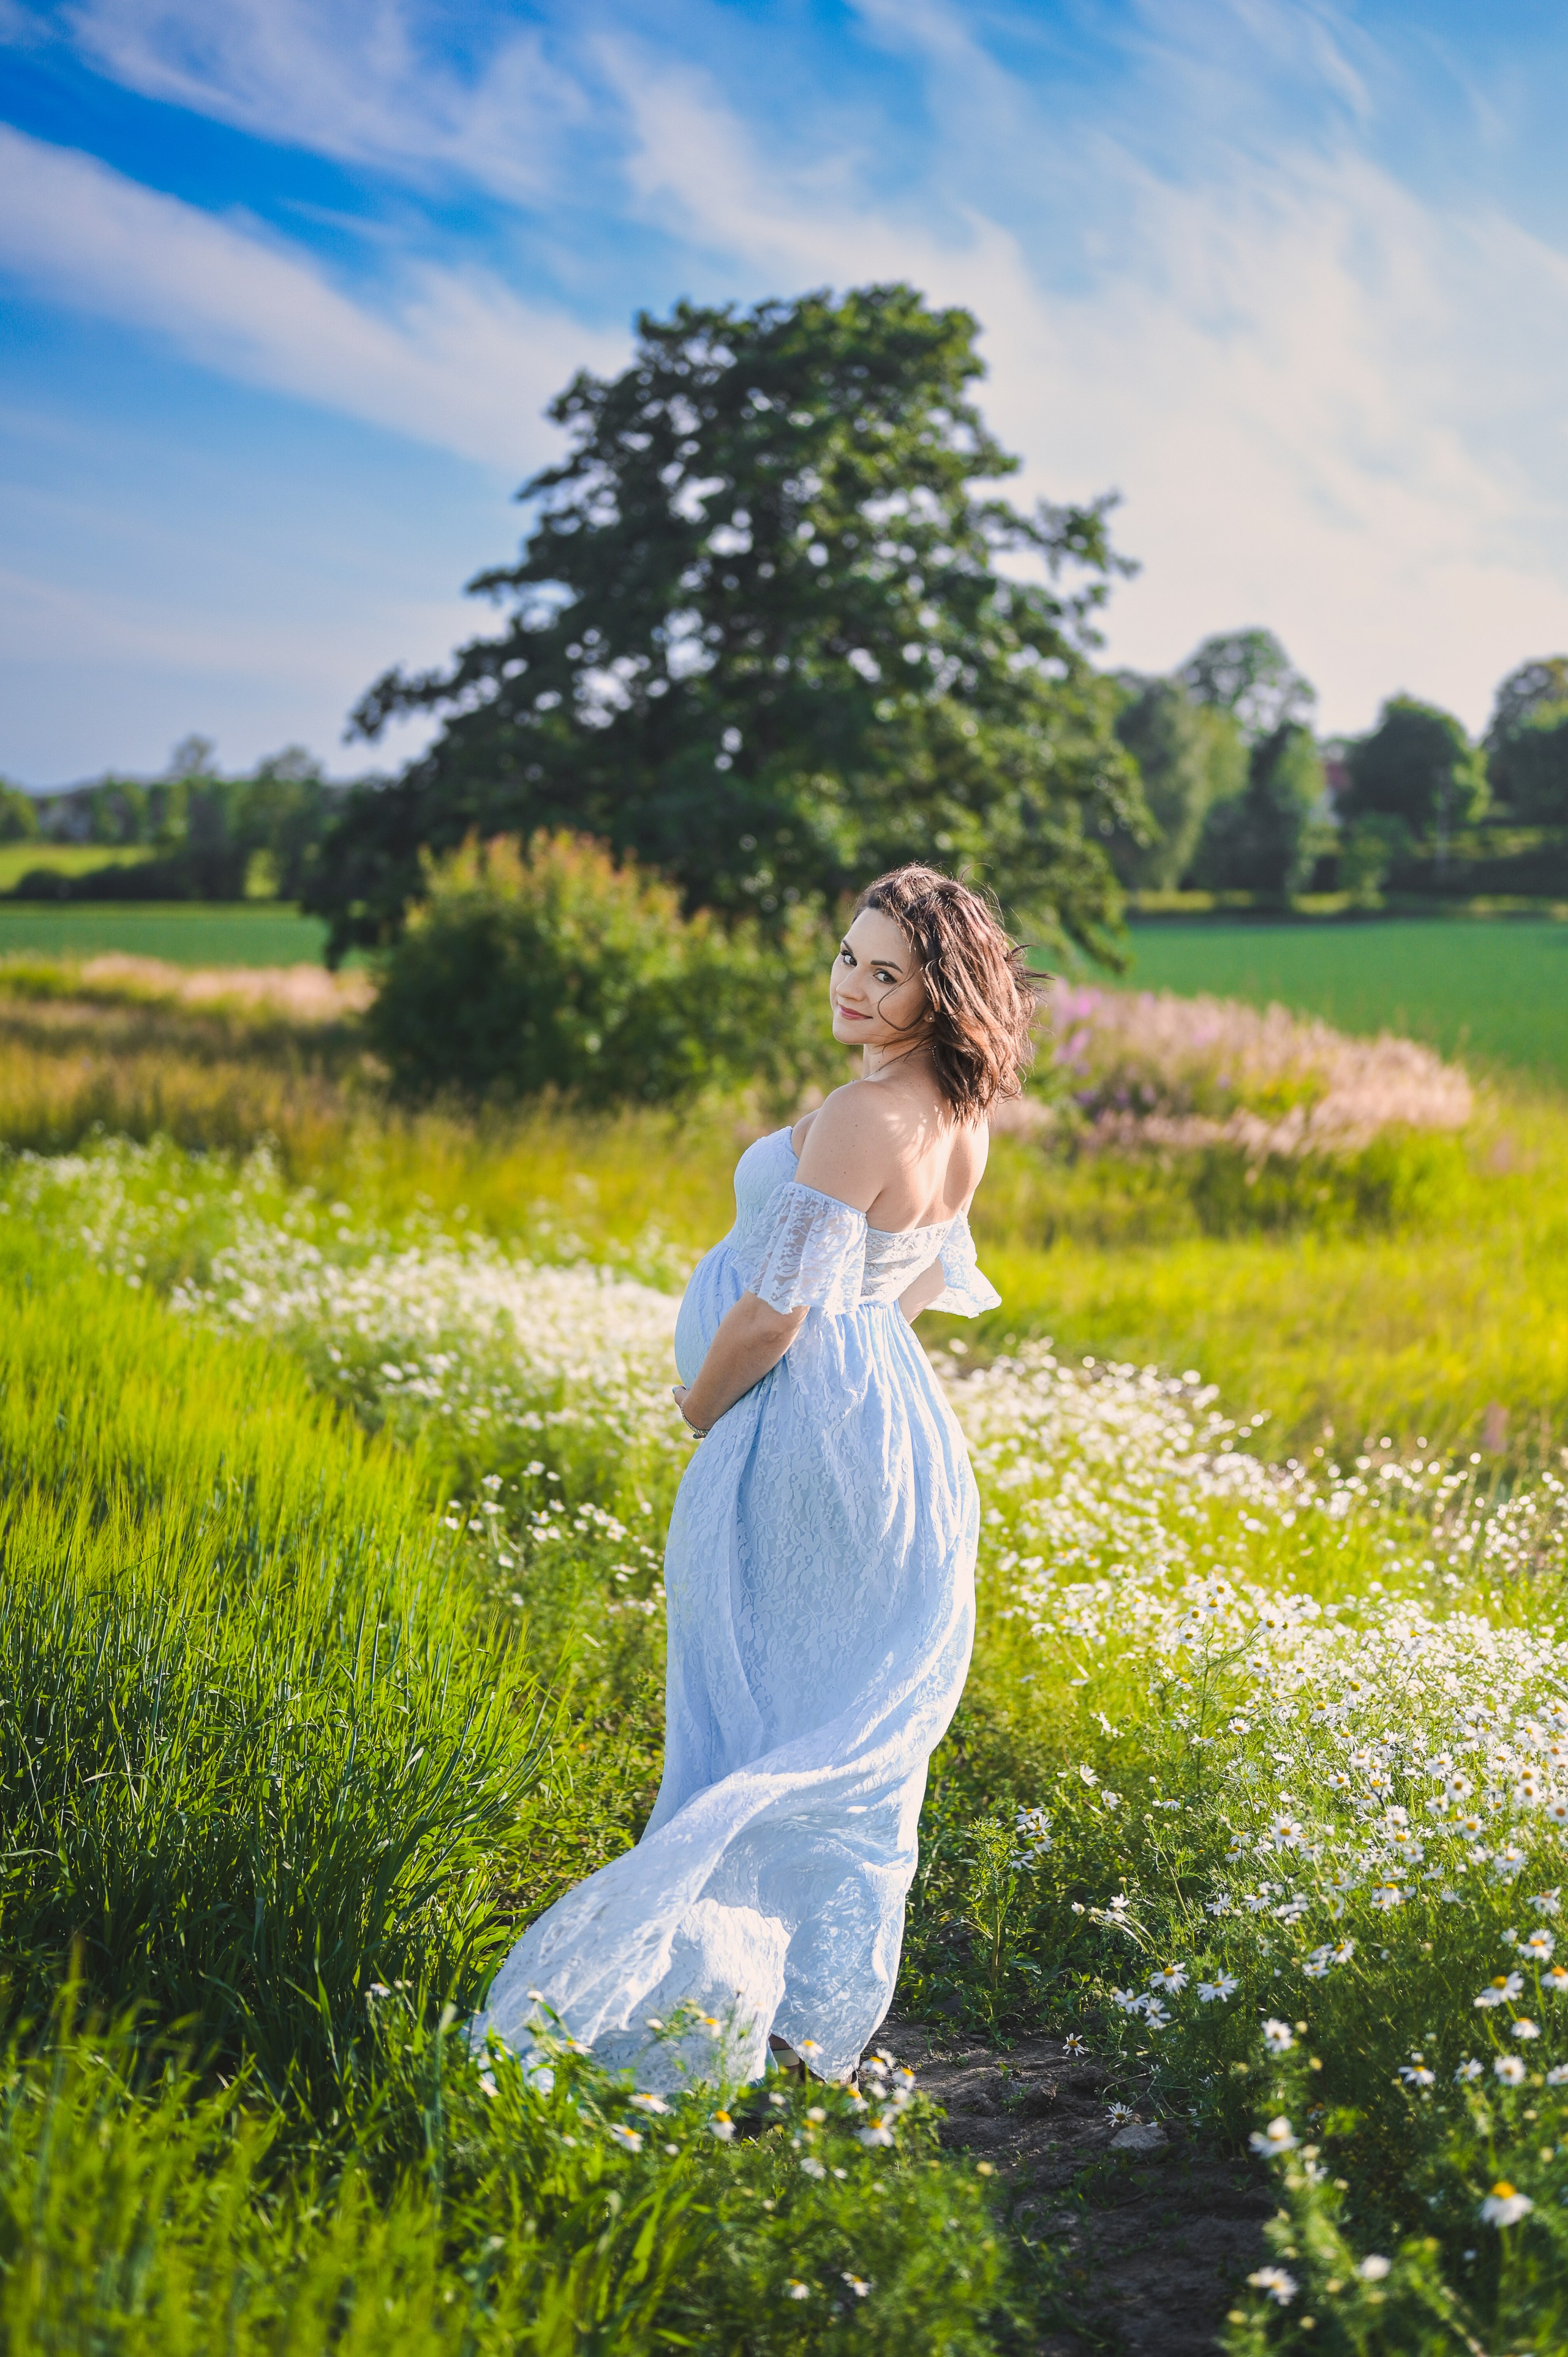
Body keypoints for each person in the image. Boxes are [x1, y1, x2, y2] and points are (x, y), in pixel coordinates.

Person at [472, 864, 1036, 2089]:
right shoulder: (956, 1113)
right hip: (893, 1441)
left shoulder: (859, 1113)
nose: (851, 985)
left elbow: (777, 1311)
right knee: (832, 1726)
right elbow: (927, 1280)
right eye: (846, 955)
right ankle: (784, 2022)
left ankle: (682, 2024)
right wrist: (861, 1358)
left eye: (886, 972)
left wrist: (697, 1402)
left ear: (939, 993)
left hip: (794, 1432)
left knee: (752, 1725)